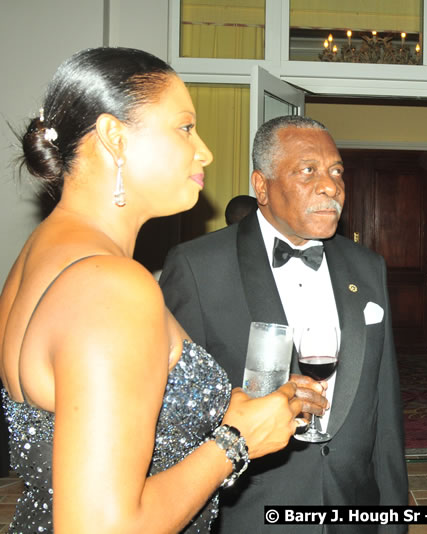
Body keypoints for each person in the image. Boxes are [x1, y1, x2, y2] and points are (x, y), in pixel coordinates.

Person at [0, 47, 305, 533]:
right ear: (113, 137)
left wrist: (237, 405)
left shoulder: (40, 255)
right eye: (185, 127)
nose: (203, 150)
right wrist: (235, 442)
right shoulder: (111, 286)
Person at [159, 115, 408, 533]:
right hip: (250, 513)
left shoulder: (368, 268)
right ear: (262, 186)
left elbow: (384, 407)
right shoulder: (198, 267)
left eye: (336, 172)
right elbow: (173, 417)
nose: (331, 186)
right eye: (308, 171)